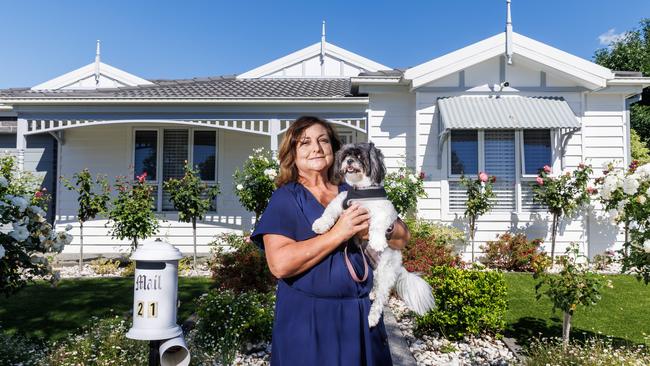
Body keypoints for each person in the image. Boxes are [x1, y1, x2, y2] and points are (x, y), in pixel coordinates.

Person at [251, 116, 410, 365]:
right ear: (292, 153)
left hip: (361, 317)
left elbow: (402, 238)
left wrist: (380, 229)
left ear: (334, 149)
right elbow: (280, 264)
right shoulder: (285, 198)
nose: (316, 147)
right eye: (305, 142)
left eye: (323, 140)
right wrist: (339, 232)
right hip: (311, 321)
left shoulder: (353, 190)